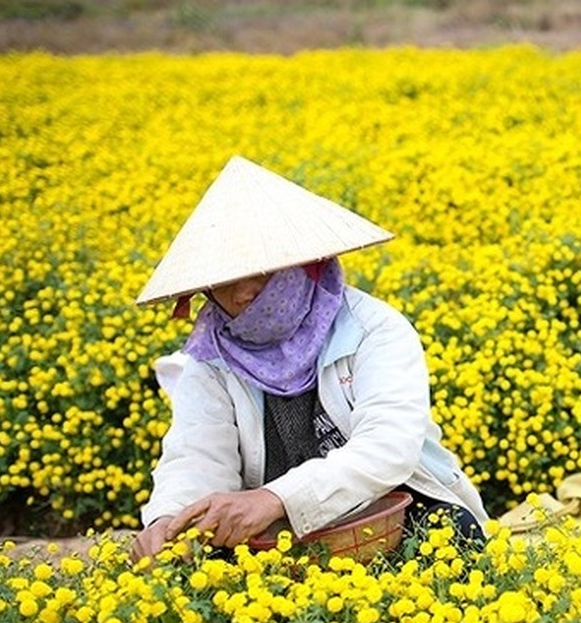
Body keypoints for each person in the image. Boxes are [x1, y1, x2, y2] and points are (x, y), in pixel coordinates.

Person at [131, 156, 487, 562]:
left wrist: (276, 497)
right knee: (190, 565)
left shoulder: (375, 330)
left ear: (303, 265)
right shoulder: (210, 358)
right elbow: (197, 453)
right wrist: (168, 519)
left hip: (387, 509)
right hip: (270, 534)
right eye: (224, 281)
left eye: (262, 272)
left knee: (452, 538)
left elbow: (387, 448)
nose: (243, 292)